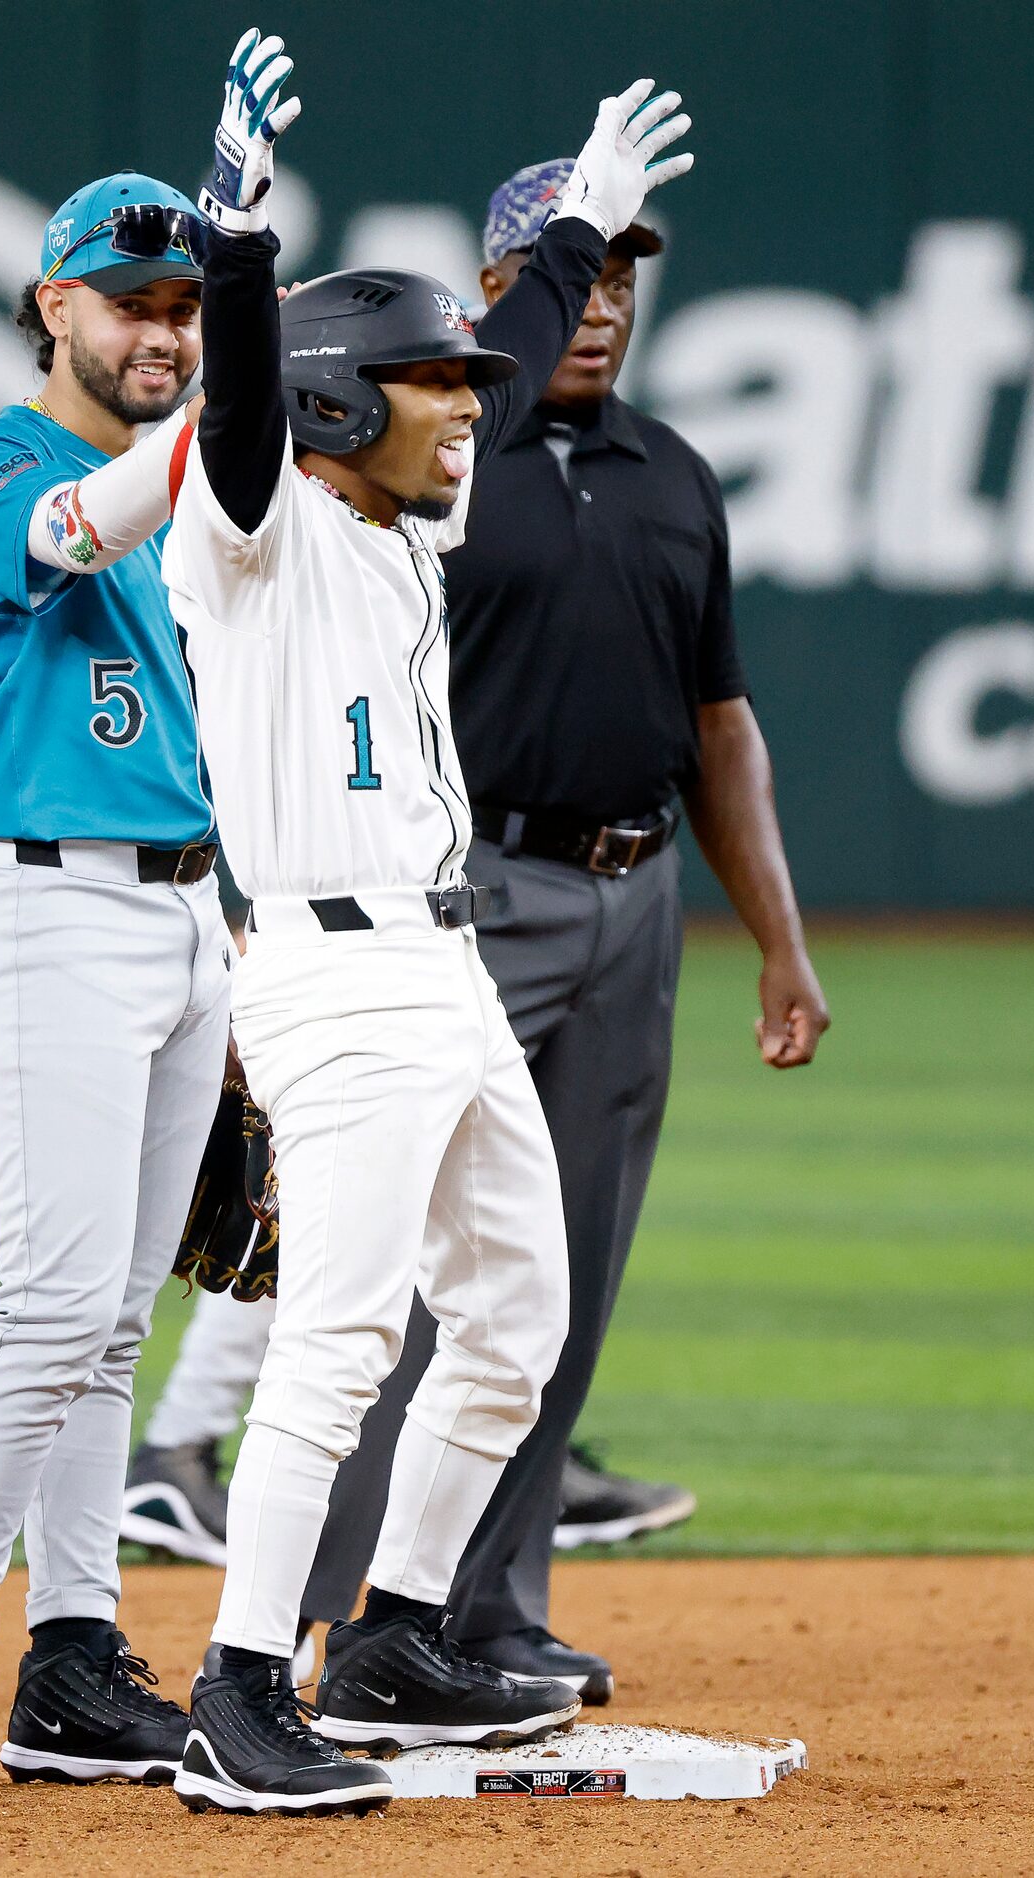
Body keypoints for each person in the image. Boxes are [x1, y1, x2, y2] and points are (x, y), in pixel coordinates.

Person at [159, 30, 694, 1817]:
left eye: (464, 377)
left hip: (441, 962)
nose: (469, 402)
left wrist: (575, 236)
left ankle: (393, 1638)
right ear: (332, 402)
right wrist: (236, 240)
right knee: (340, 1336)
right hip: (329, 973)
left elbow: (518, 360)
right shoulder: (247, 535)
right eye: (426, 381)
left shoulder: (402, 520)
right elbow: (238, 410)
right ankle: (240, 1692)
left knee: (516, 1320)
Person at [297, 160, 831, 1700]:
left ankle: (490, 1609)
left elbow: (719, 722)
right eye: (565, 273)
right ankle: (348, 1616)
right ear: (496, 288)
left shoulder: (673, 470)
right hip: (467, 889)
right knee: (405, 1280)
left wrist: (776, 939)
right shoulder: (437, 466)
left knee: (560, 1280)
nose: (594, 302)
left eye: (613, 275)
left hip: (632, 896)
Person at [0, 171, 232, 1795]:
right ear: (50, 305)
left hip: (185, 917)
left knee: (113, 1328)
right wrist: (229, 374)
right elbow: (85, 528)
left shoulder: (199, 477)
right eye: (125, 298)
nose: (155, 327)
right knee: (57, 1302)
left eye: (180, 303)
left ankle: (73, 1662)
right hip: (40, 913)